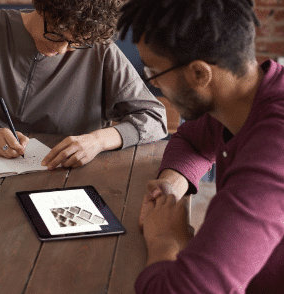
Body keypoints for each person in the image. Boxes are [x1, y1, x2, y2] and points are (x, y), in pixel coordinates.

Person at [117, 0, 284, 293]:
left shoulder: (274, 148)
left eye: (153, 73)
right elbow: (191, 140)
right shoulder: (242, 96)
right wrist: (168, 187)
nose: (155, 86)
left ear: (198, 74)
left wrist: (166, 241)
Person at [0, 0, 167, 170]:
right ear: (41, 7)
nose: (59, 50)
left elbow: (154, 118)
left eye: (74, 44)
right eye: (56, 35)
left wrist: (97, 141)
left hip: (66, 175)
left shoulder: (101, 51)